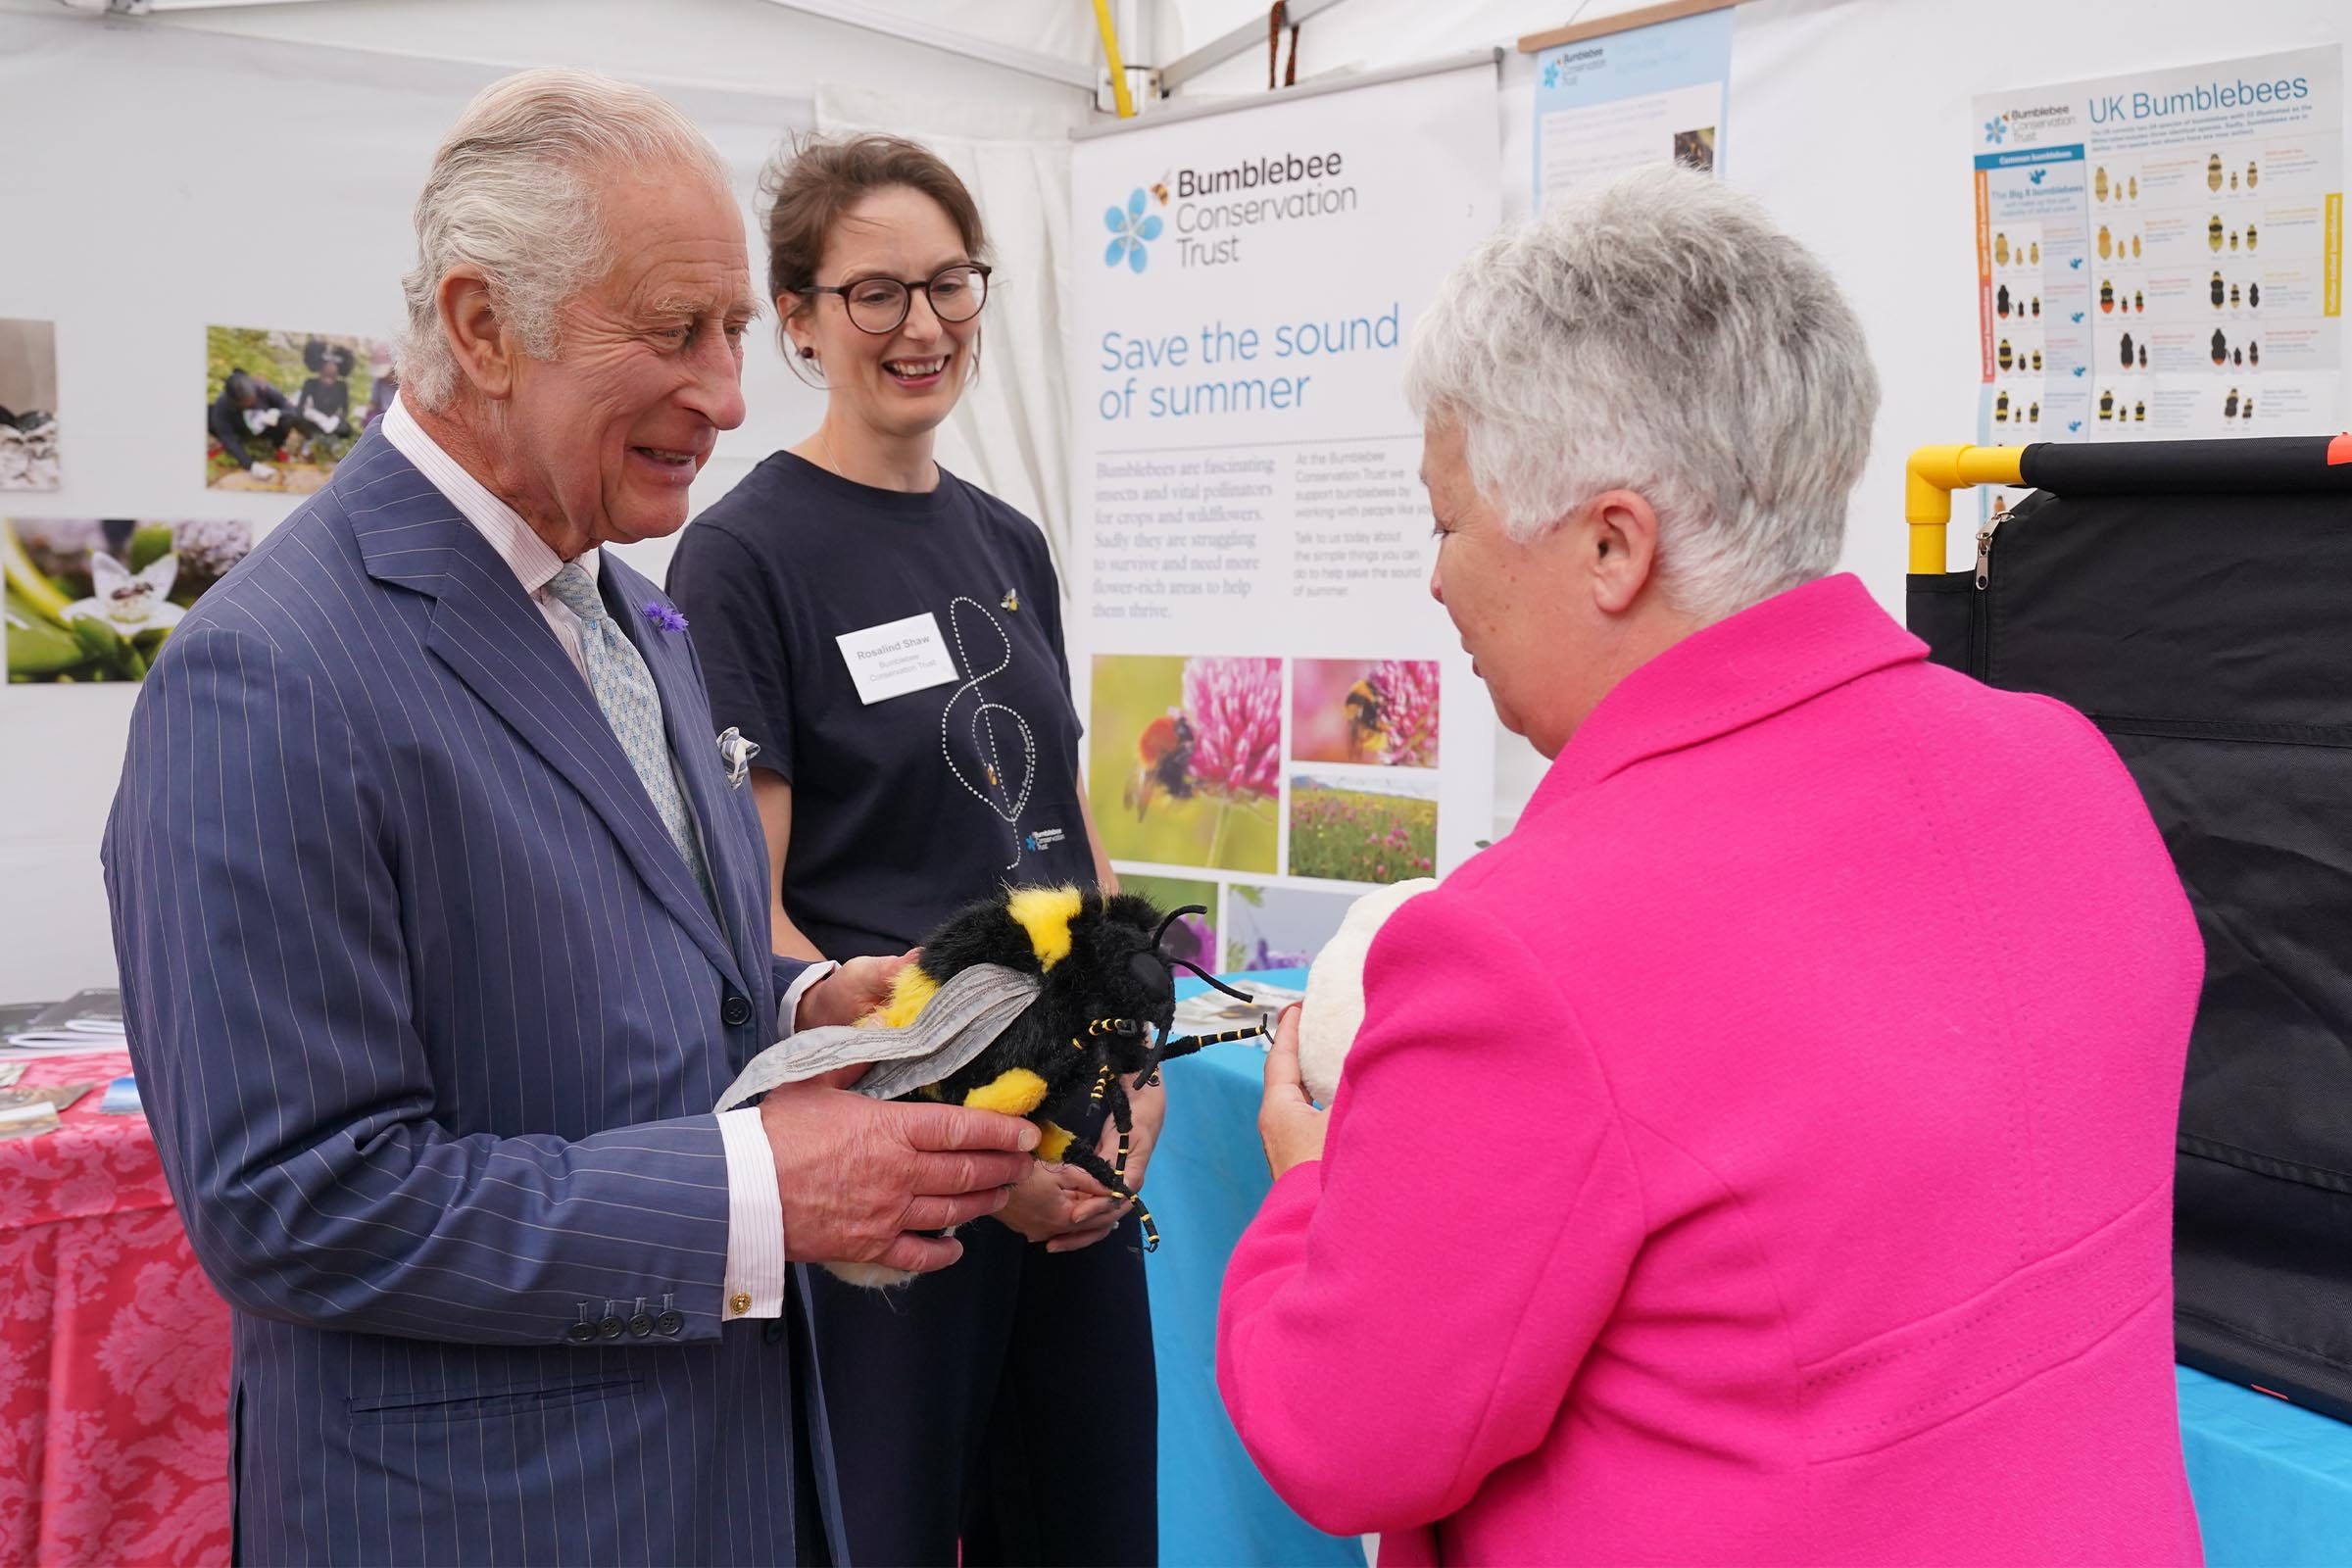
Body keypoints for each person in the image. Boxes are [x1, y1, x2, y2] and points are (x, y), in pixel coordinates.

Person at [105, 71, 1042, 1567]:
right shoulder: (270, 675)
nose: (733, 396)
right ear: (483, 328)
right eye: (676, 333)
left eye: (736, 331)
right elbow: (292, 1203)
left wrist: (822, 1002)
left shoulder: (628, 607)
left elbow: (643, 973)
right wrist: (753, 1191)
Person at [1217, 164, 2205, 1566]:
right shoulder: (2067, 768)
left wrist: (1311, 1181)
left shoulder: (1528, 948)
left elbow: (1342, 1435)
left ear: (1613, 544)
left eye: (1446, 522)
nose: (1435, 579)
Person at [665, 133, 1158, 1566]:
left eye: (950, 284)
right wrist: (976, 1146)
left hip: (1077, 1154)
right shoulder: (745, 558)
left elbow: (1070, 841)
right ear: (802, 319)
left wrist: (1127, 1072)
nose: (923, 324)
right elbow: (753, 929)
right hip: (905, 1171)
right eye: (875, 293)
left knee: (1088, 1531)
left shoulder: (1008, 539)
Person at [205, 367, 296, 478]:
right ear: (233, 401)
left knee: (287, 420)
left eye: (252, 400)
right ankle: (229, 446)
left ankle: (279, 448)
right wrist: (251, 465)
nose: (249, 404)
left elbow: (290, 410)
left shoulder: (264, 389)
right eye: (245, 403)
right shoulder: (222, 405)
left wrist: (277, 413)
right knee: (209, 414)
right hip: (242, 428)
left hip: (266, 426)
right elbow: (227, 437)